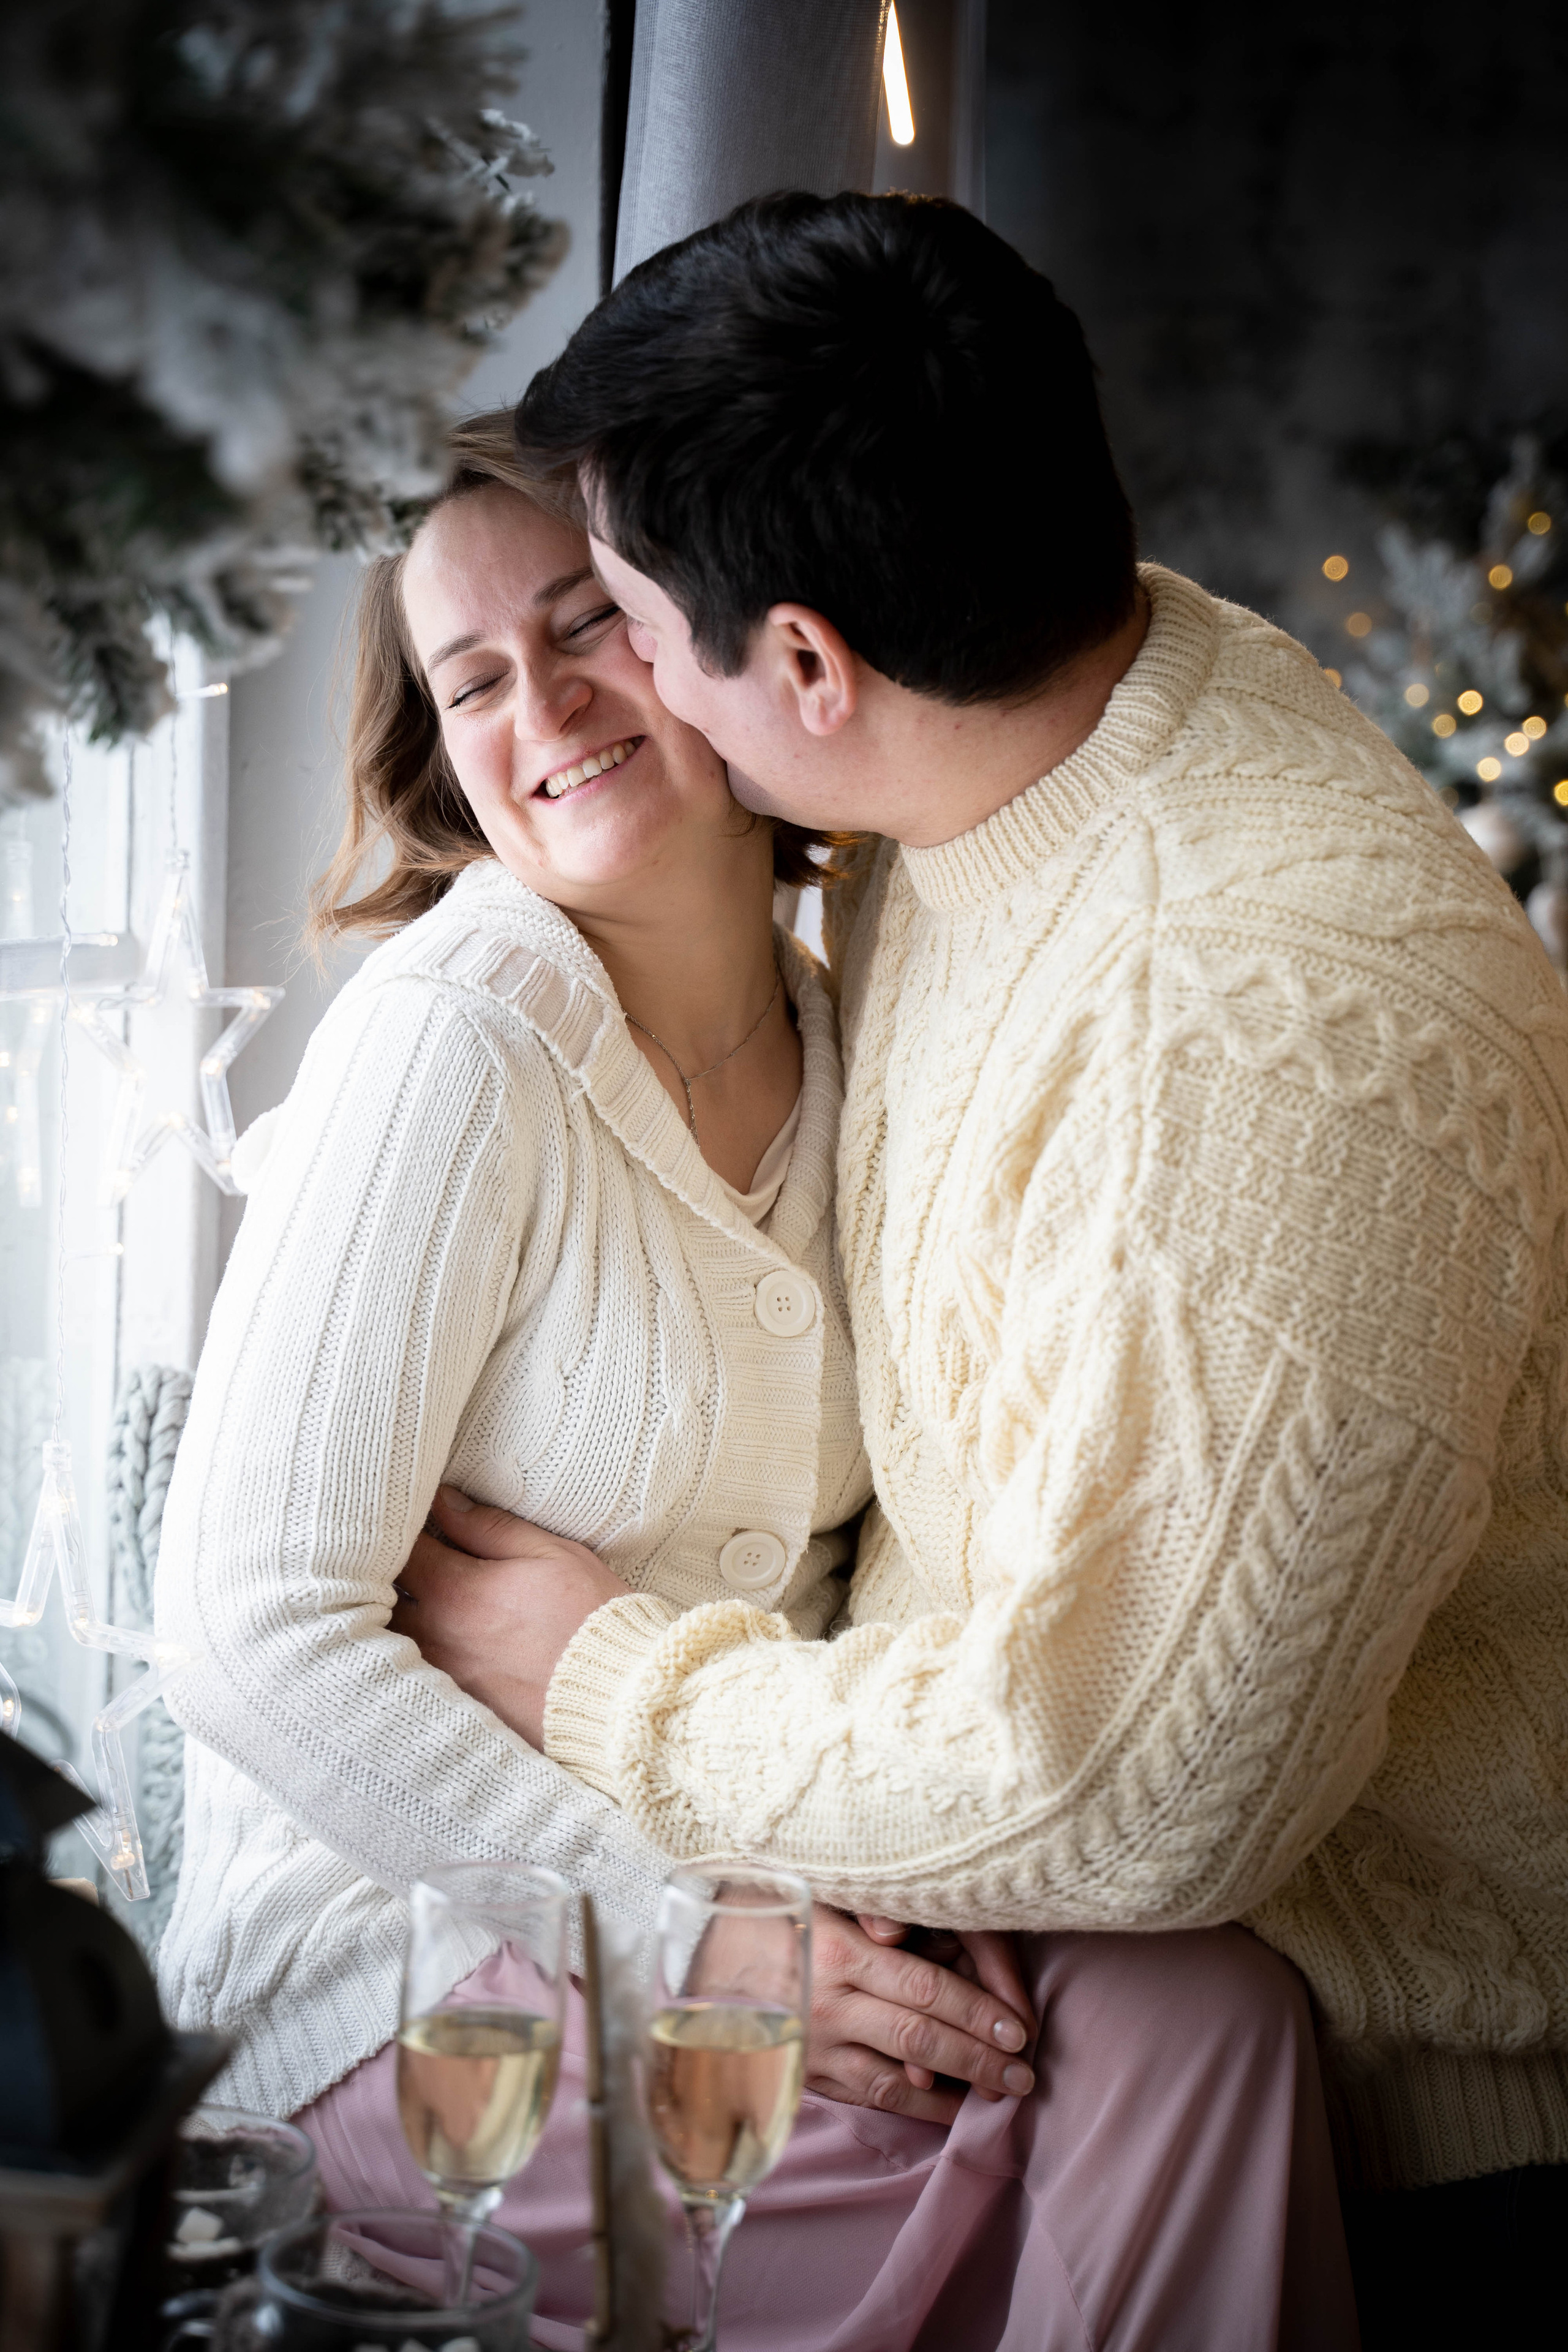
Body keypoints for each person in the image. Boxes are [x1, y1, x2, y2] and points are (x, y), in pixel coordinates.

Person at [390, 192, 1568, 2340]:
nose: (616, 683)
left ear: (812, 668)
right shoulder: (1027, 732)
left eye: (634, 622)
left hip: (1409, 2150)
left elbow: (1133, 1785)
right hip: (1097, 2020)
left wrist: (604, 1674)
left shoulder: (1270, 1022)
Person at [156, 410, 1354, 2351]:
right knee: (1014, 2147)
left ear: (703, 624)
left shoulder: (852, 1015)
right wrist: (687, 1929)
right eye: (472, 683)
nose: (540, 704)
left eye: (582, 626)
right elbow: (241, 1634)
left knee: (1208, 2006)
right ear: (445, 765)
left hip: (779, 1872)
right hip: (414, 1985)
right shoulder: (454, 1047)